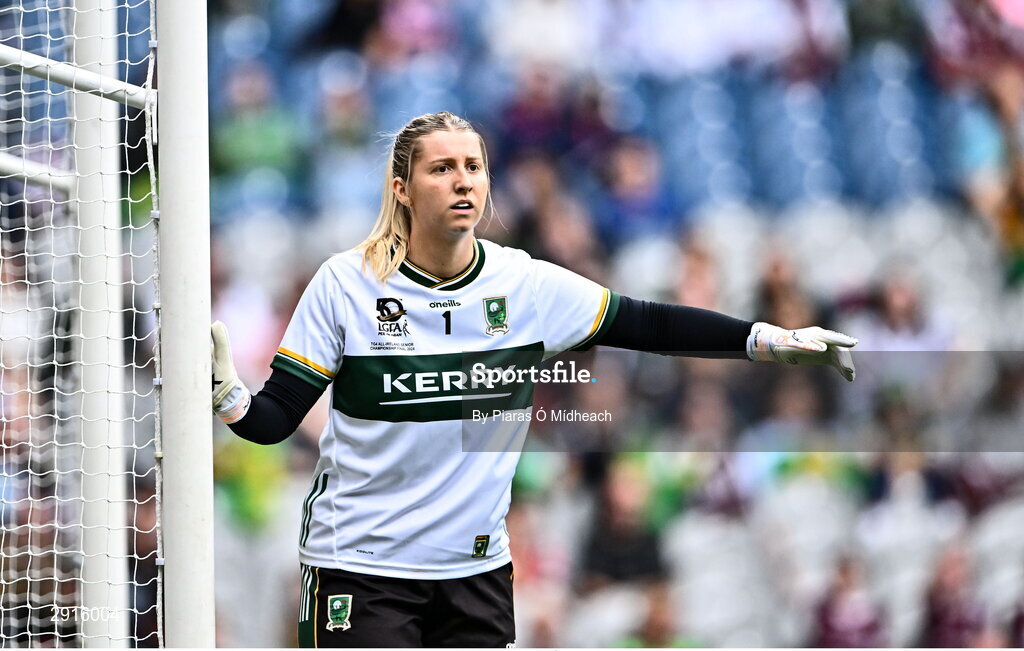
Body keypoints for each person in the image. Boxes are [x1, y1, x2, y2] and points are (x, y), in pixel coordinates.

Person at [209, 111, 858, 648]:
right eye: (443, 168)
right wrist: (227, 393)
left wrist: (766, 339)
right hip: (362, 568)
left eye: (474, 166)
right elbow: (274, 421)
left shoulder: (523, 284)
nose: (464, 181)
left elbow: (648, 323)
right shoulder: (347, 285)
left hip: (474, 573)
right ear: (402, 188)